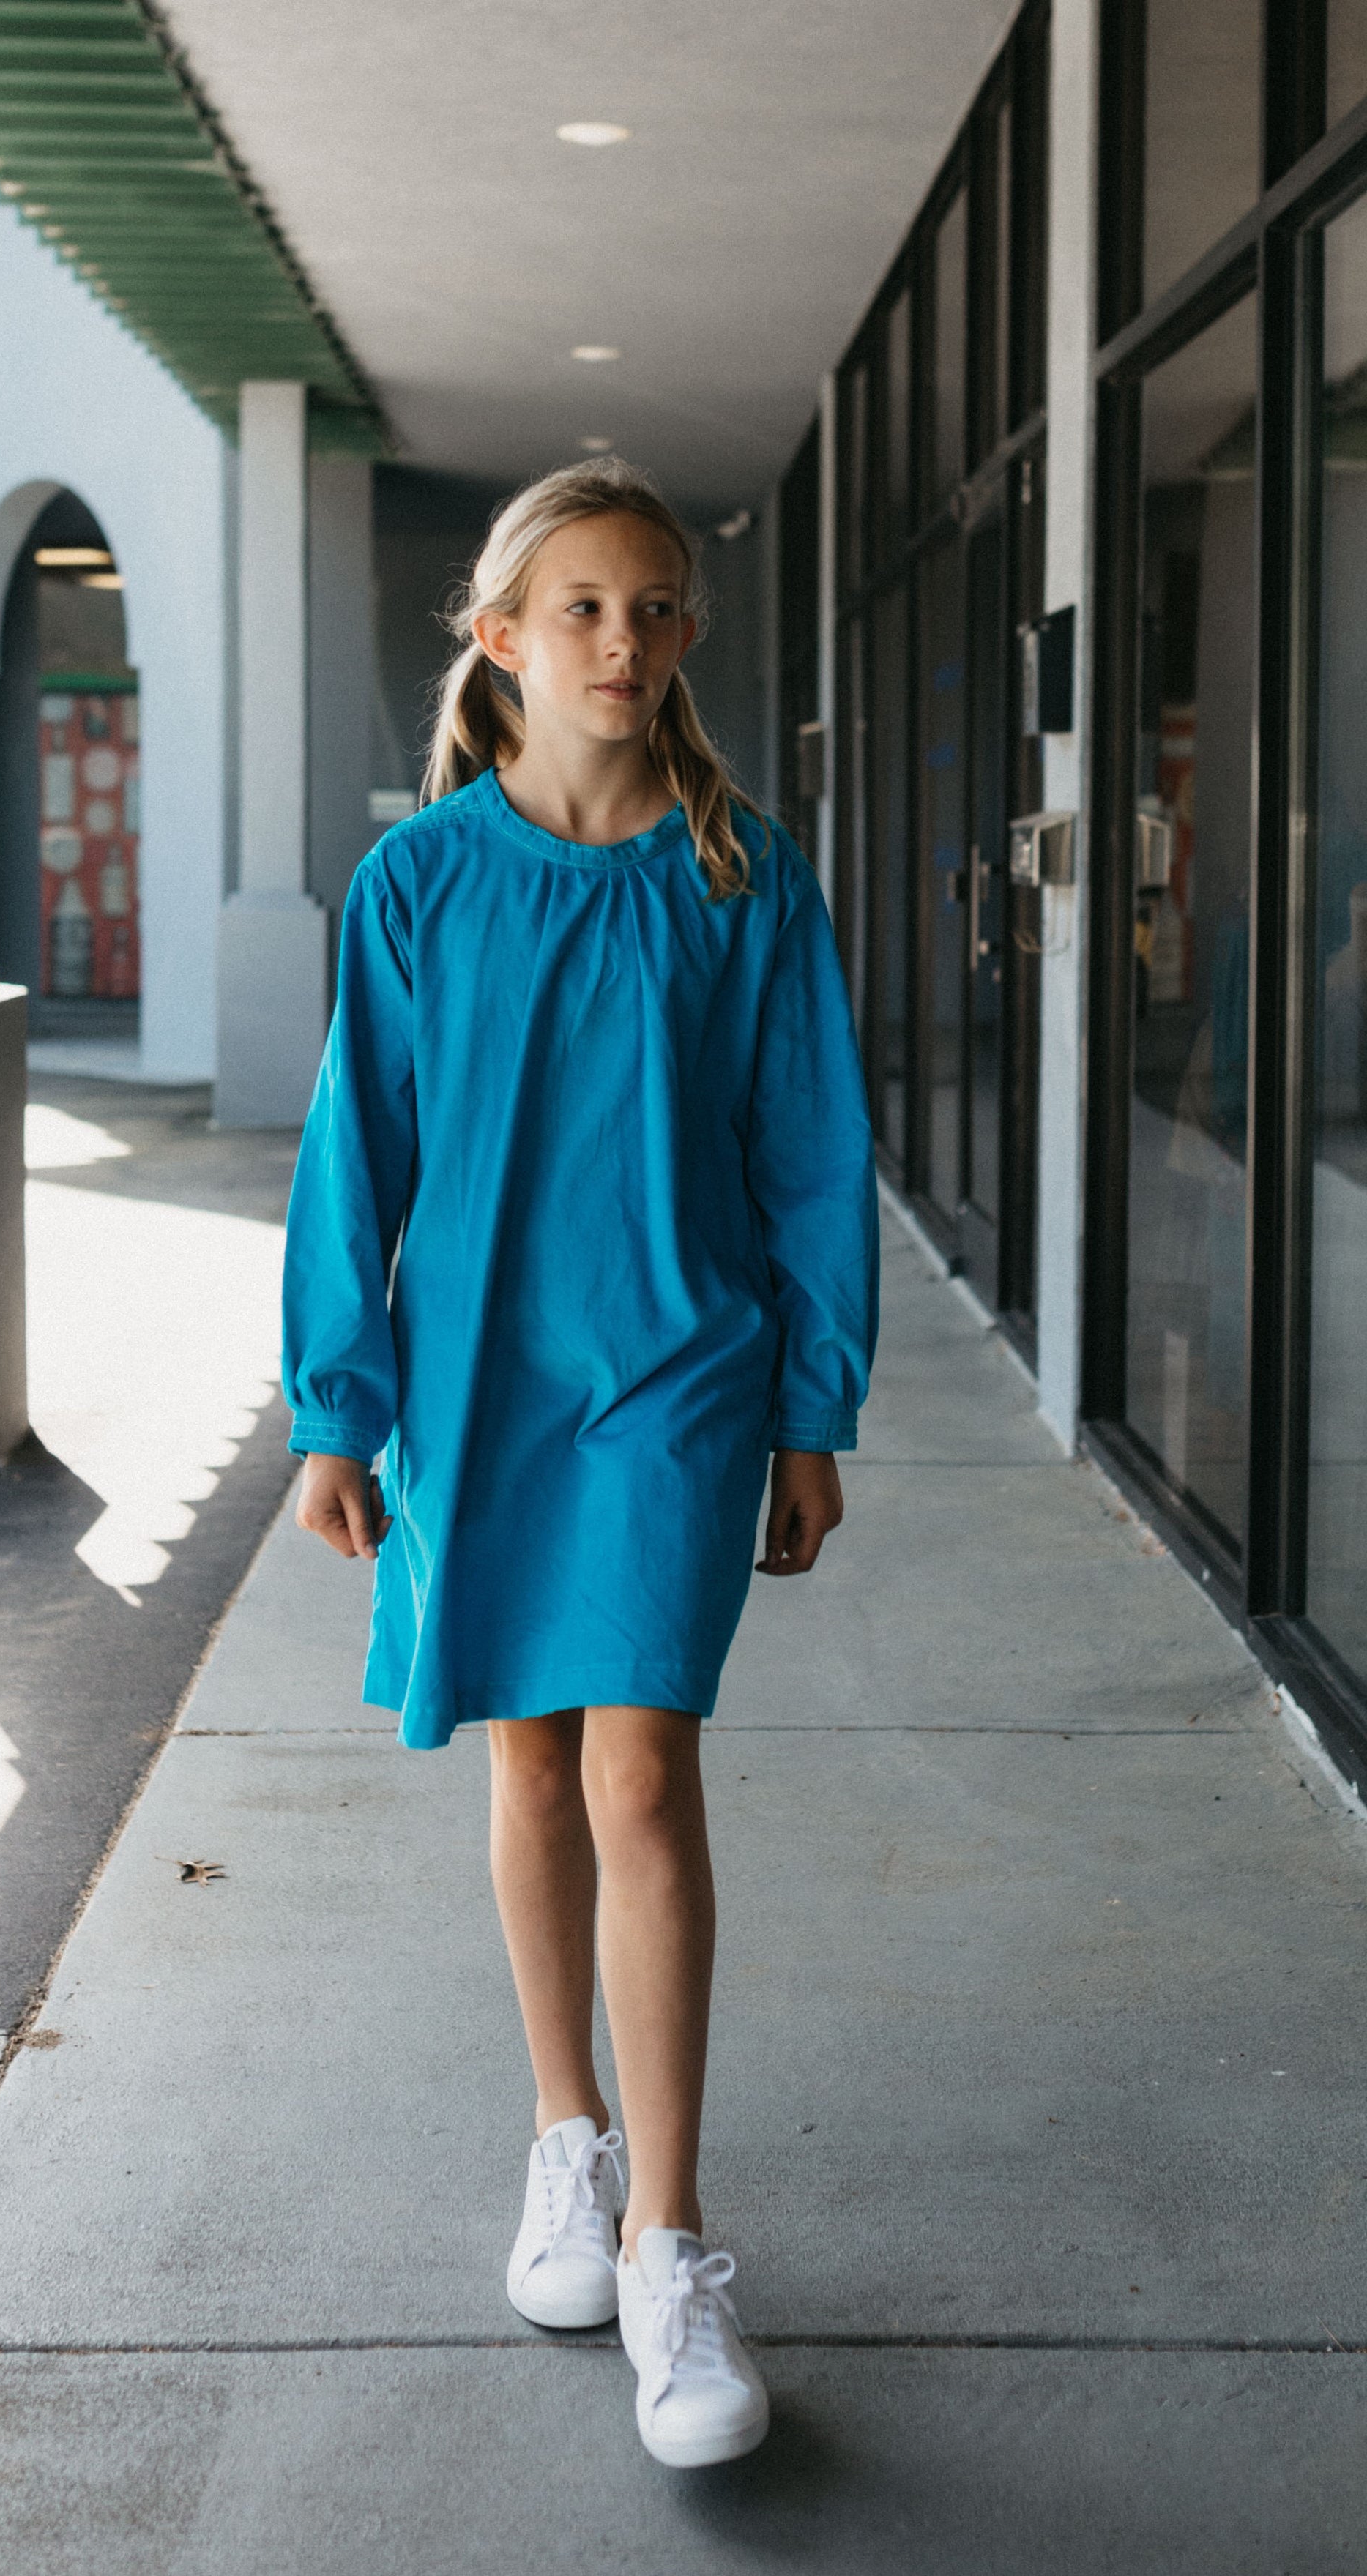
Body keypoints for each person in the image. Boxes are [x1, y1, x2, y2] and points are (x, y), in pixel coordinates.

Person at [282, 457, 879, 2469]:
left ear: (684, 640)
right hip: (471, 1389)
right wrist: (335, 1407)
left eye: (657, 610)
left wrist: (814, 1404)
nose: (627, 644)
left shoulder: (744, 875)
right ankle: (566, 2135)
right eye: (587, 610)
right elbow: (353, 1153)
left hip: (680, 1377)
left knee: (640, 1759)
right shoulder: (421, 883)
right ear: (504, 638)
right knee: (528, 1755)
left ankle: (669, 2237)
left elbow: (809, 1155)